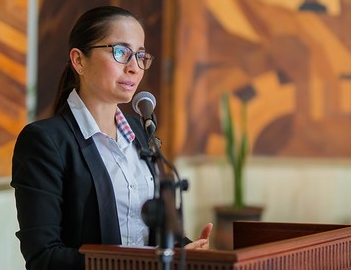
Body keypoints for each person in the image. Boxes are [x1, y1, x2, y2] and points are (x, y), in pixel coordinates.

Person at [11, 6, 212, 270]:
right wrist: (140, 263)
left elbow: (150, 236)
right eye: (121, 52)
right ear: (79, 60)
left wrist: (184, 250)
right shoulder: (44, 141)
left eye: (140, 55)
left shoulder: (140, 132)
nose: (134, 68)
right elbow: (43, 257)